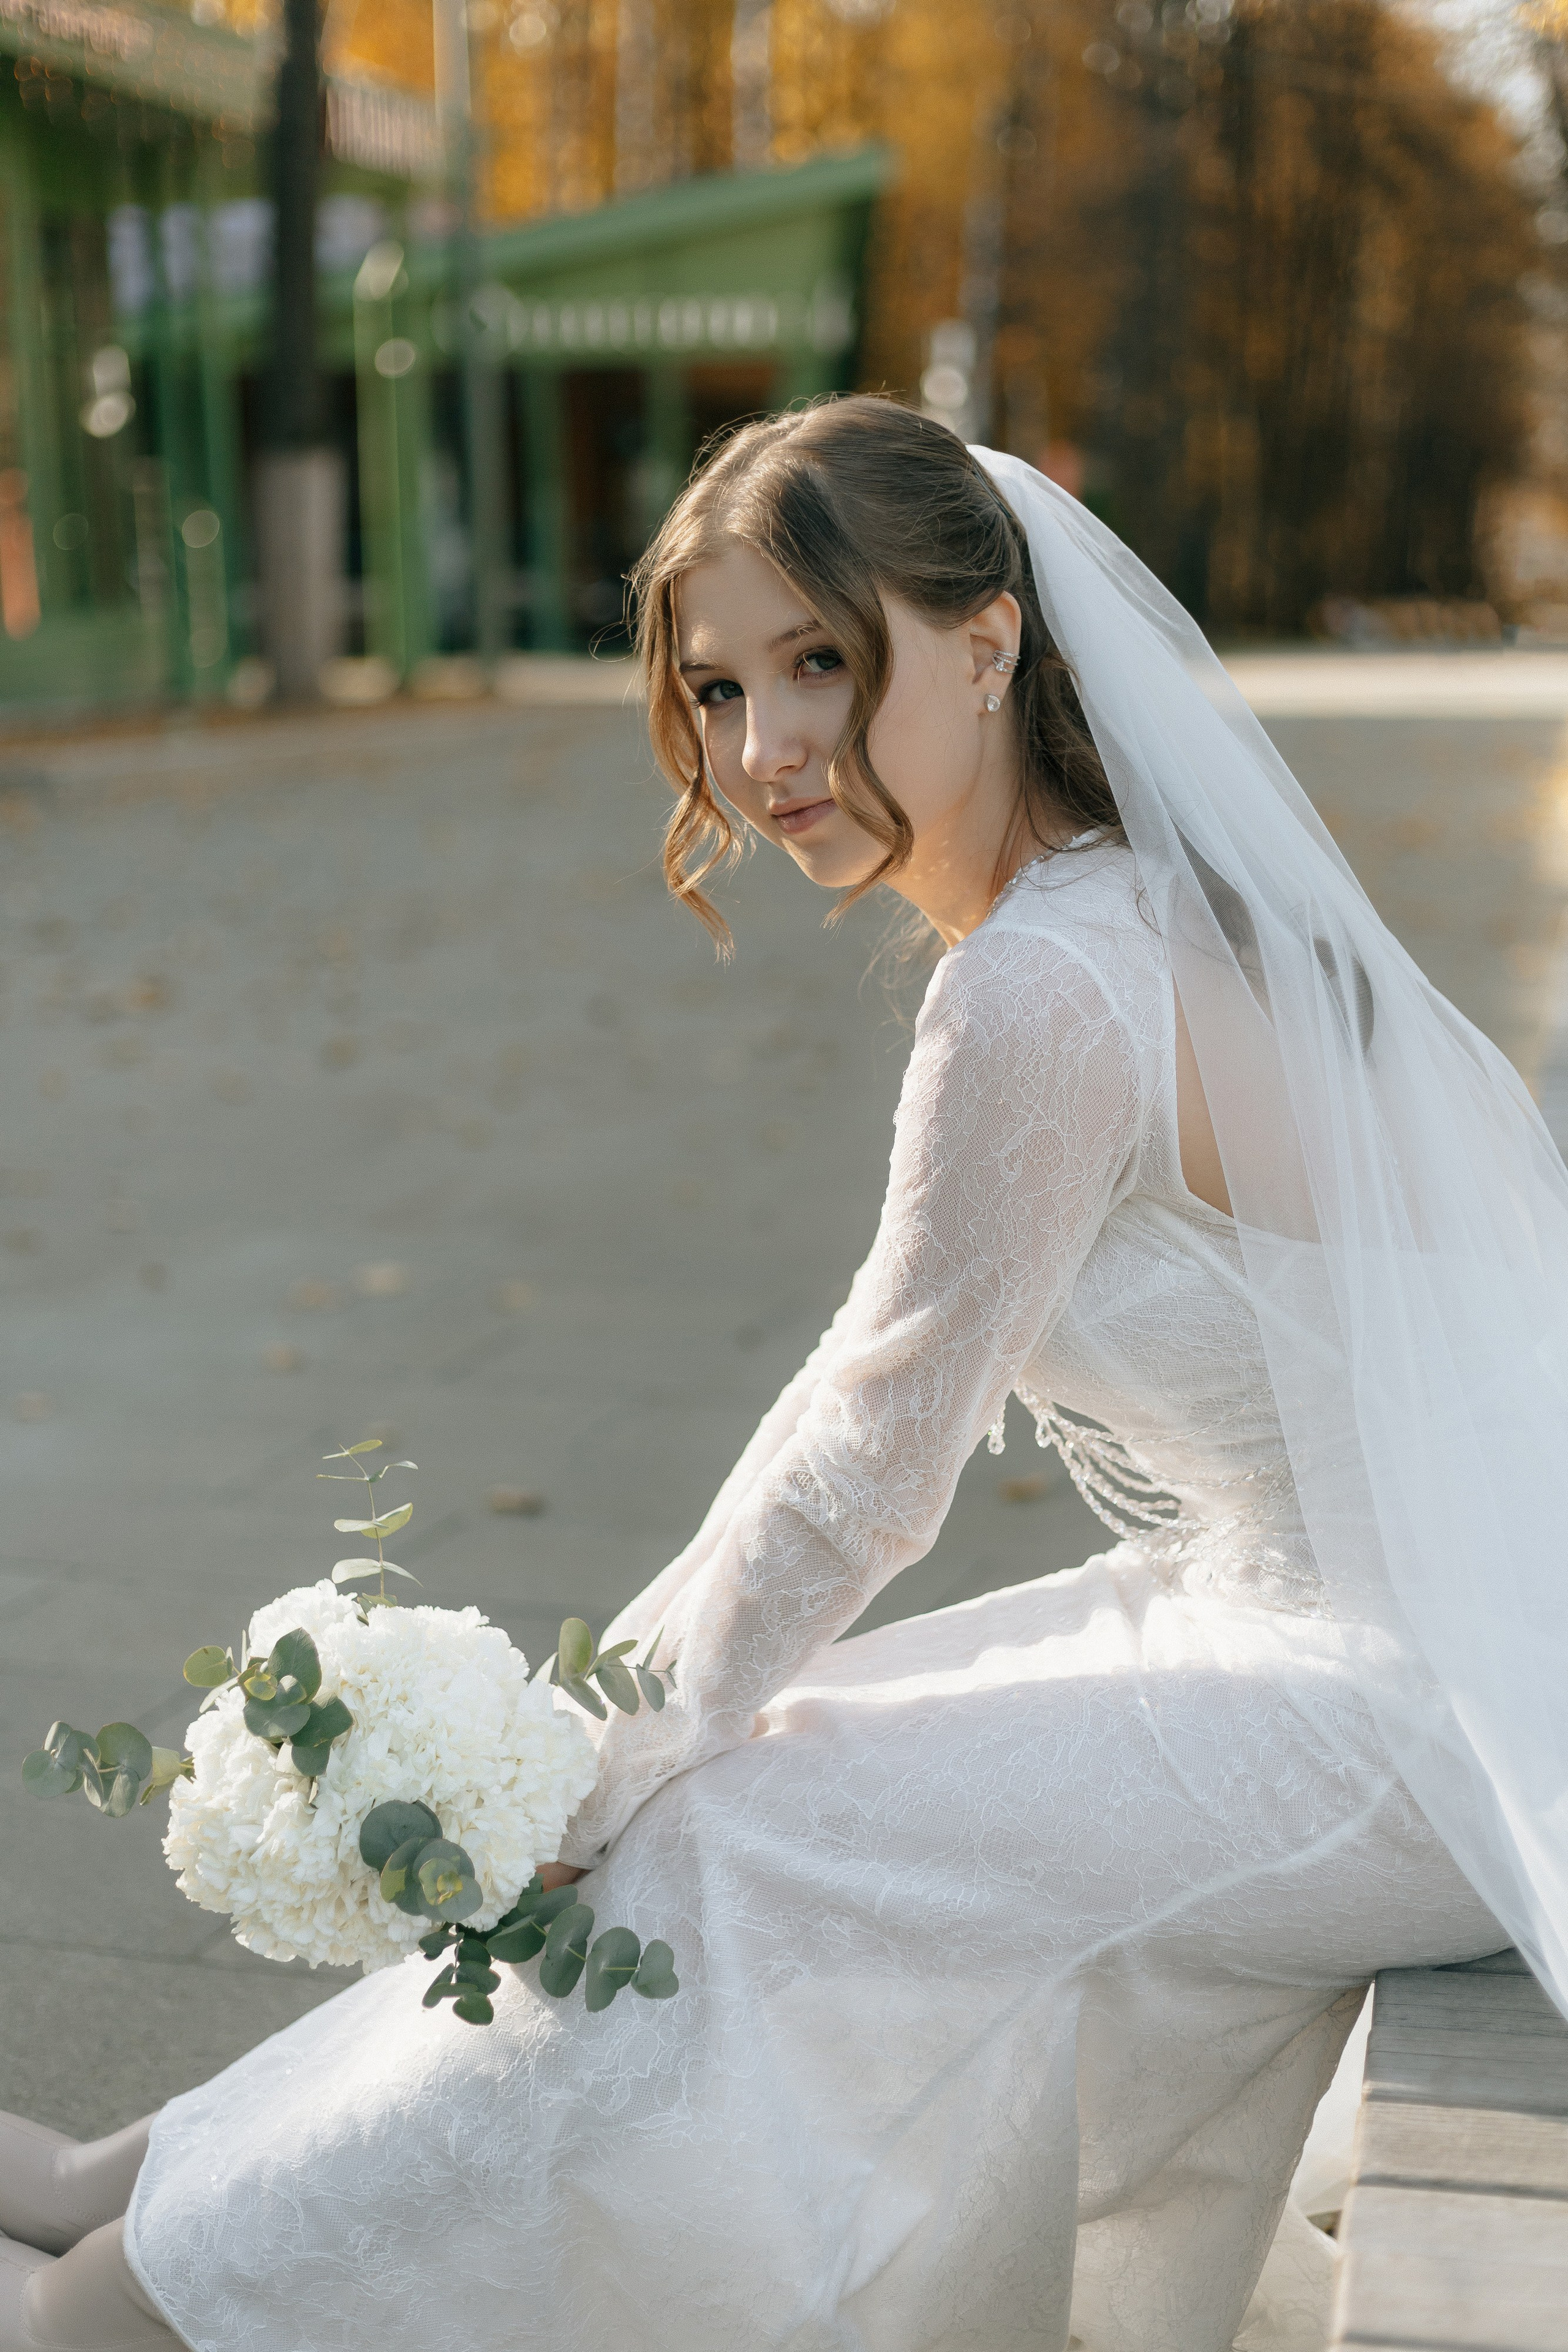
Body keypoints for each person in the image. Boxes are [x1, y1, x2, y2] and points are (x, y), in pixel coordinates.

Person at [9, 392, 1566, 2352]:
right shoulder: (1114, 909)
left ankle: (162, 2292)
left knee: (733, 1832)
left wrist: (596, 1761)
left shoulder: (1046, 981)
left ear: (989, 639)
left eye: (824, 663)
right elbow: (857, 1394)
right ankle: (152, 2187)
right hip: (1362, 1621)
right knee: (758, 1752)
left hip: (1420, 1713)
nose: (766, 753)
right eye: (723, 686)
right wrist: (618, 1716)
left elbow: (867, 1459)